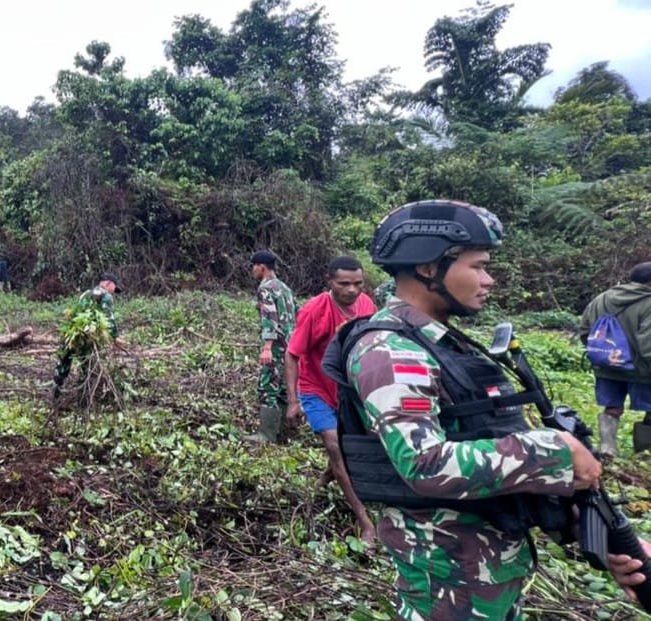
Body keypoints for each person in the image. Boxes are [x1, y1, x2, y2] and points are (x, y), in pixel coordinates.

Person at [324, 199, 651, 618]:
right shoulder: (390, 350)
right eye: (478, 266)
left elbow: (488, 444)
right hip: (449, 580)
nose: (489, 279)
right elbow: (424, 463)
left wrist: (597, 535)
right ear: (428, 268)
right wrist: (555, 452)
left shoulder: (442, 343)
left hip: (485, 567)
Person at [285, 256, 377, 543]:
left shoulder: (367, 306)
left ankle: (325, 479)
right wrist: (292, 401)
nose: (352, 290)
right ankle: (365, 520)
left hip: (351, 391)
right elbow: (292, 354)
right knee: (335, 445)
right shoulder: (313, 310)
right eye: (344, 284)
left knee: (352, 445)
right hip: (316, 389)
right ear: (330, 282)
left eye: (358, 283)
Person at [579, 262, 651, 457]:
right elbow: (648, 345)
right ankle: (645, 454)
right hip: (642, 371)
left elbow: (585, 330)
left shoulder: (601, 298)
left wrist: (604, 353)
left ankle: (608, 448)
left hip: (606, 366)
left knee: (612, 407)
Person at [247, 250, 296, 442]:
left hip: (276, 345)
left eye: (254, 266)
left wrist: (267, 347)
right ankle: (282, 433)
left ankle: (266, 434)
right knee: (283, 386)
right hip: (290, 346)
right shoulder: (284, 288)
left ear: (262, 267)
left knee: (268, 386)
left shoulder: (265, 288)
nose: (253, 270)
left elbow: (270, 318)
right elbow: (296, 314)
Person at [53, 273, 122, 399]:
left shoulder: (85, 293)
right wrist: (115, 337)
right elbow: (109, 318)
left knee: (65, 360)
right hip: (87, 338)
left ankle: (56, 390)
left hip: (74, 333)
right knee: (87, 366)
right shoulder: (106, 296)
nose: (113, 293)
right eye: (114, 288)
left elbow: (76, 312)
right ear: (108, 284)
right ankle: (83, 398)